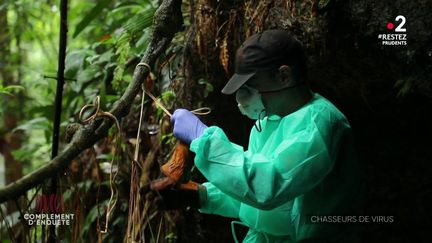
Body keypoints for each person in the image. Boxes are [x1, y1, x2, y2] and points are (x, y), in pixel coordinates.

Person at [154, 29, 363, 243]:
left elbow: (268, 188)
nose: (243, 97)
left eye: (251, 87)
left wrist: (203, 139)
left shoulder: (320, 123)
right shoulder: (266, 123)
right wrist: (201, 195)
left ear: (284, 76)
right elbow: (254, 200)